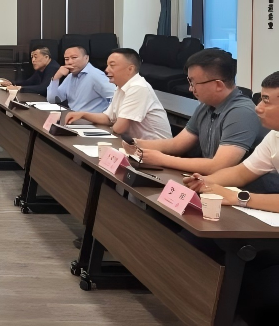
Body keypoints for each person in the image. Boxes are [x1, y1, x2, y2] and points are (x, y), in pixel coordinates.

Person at [184, 71, 279, 326]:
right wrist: (207, 182)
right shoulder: (275, 136)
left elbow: (242, 191)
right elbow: (242, 172)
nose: (258, 108)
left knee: (260, 287)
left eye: (267, 101)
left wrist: (240, 198)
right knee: (202, 242)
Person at [123, 48, 265, 174]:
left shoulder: (241, 112)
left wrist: (161, 159)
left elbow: (219, 166)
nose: (191, 88)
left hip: (244, 190)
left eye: (194, 82)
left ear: (218, 85)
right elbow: (176, 145)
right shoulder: (206, 106)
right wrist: (135, 143)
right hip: (211, 181)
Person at [64, 48, 172, 140]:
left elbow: (119, 128)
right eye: (107, 65)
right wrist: (82, 114)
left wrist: (108, 127)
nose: (106, 70)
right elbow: (108, 118)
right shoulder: (120, 87)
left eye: (112, 65)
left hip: (157, 148)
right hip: (135, 145)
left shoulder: (138, 87)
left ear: (130, 69)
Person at [46, 46, 115, 112]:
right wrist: (56, 78)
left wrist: (106, 116)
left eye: (74, 58)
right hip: (74, 116)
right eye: (66, 59)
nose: (69, 62)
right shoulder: (70, 77)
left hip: (90, 118)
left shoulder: (95, 75)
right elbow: (53, 100)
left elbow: (116, 97)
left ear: (86, 58)